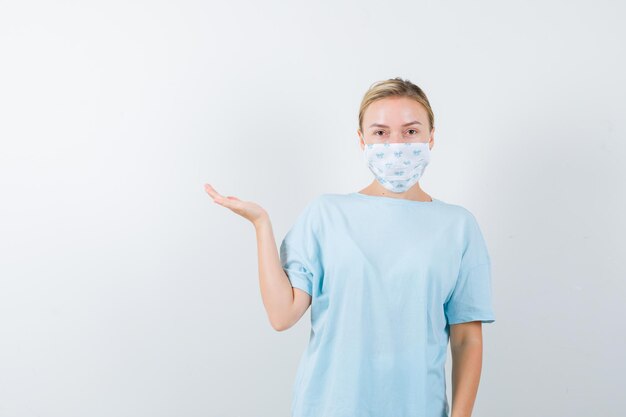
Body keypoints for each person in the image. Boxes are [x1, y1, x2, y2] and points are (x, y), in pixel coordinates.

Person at [204, 77, 496, 417]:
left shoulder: (458, 227)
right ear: (362, 139)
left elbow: (466, 339)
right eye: (381, 132)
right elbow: (283, 315)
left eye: (411, 131)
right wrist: (261, 224)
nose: (396, 144)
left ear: (431, 136)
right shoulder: (326, 214)